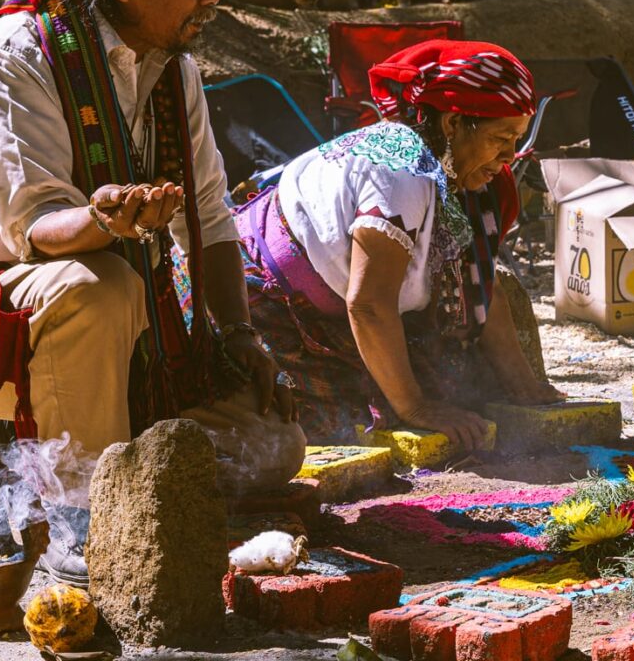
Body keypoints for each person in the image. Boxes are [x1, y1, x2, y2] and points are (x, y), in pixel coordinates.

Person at [0, 0, 301, 490]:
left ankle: (125, 474)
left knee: (274, 444)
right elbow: (36, 227)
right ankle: (78, 509)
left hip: (134, 332)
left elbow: (209, 216)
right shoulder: (10, 59)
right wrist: (103, 219)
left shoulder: (173, 70)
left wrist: (238, 335)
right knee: (99, 286)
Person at [236, 40, 557, 452]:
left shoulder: (453, 174)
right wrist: (416, 408)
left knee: (459, 380)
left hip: (334, 312)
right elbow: (368, 305)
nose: (510, 156)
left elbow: (482, 284)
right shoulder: (403, 173)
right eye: (501, 138)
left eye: (517, 139)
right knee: (313, 425)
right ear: (453, 124)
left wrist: (525, 388)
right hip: (260, 303)